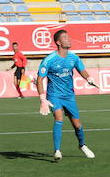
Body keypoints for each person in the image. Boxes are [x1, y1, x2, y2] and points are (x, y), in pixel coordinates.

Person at [36, 30, 97, 161]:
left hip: (69, 96)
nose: (69, 39)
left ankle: (82, 145)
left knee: (77, 125)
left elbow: (81, 70)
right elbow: (39, 79)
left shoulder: (73, 57)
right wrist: (42, 100)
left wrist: (89, 78)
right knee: (59, 118)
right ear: (58, 42)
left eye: (68, 37)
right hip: (54, 95)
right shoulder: (49, 60)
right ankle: (57, 150)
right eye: (65, 37)